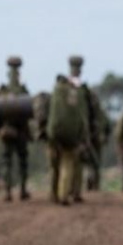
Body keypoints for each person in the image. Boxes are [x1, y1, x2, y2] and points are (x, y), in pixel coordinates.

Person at [47, 58, 91, 206]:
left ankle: (54, 194)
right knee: (67, 165)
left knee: (55, 166)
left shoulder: (58, 91)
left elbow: (51, 115)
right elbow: (81, 116)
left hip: (54, 134)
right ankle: (64, 195)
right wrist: (82, 136)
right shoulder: (77, 93)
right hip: (70, 137)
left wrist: (51, 135)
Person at [0, 56, 32, 202]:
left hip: (6, 132)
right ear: (19, 74)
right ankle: (22, 191)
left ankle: (8, 192)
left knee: (7, 162)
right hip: (21, 132)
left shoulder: (3, 91)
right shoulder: (23, 91)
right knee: (22, 162)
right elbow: (30, 112)